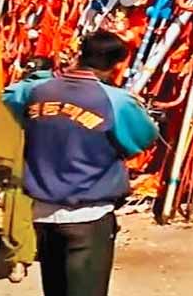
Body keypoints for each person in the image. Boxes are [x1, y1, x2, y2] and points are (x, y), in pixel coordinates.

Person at [23, 30, 156, 296]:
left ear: (82, 54)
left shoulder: (37, 92)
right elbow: (143, 138)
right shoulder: (115, 100)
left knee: (55, 289)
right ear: (116, 64)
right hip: (89, 213)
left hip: (42, 211)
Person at [0, 57, 54, 284]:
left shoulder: (12, 94)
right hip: (56, 162)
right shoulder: (62, 94)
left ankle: (19, 262)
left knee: (17, 209)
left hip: (21, 161)